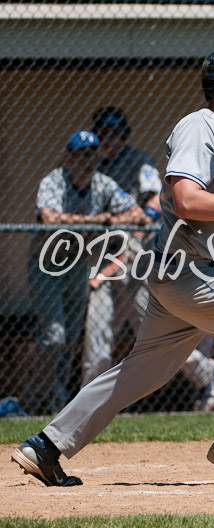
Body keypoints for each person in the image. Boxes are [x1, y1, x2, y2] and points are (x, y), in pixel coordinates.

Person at [11, 43, 214, 487]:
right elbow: (185, 199)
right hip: (190, 270)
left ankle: (45, 446)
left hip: (197, 274)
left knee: (142, 372)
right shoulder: (199, 126)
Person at [84, 106, 214, 412]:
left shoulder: (139, 161)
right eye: (103, 133)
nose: (109, 139)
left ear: (123, 135)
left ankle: (205, 372)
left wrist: (138, 222)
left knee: (151, 329)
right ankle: (87, 403)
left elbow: (155, 202)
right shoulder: (95, 169)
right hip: (105, 256)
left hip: (135, 256)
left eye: (114, 133)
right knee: (97, 329)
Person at [25, 130, 148, 414]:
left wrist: (110, 220)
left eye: (92, 154)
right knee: (54, 336)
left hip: (77, 264)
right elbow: (49, 218)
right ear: (69, 158)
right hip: (46, 263)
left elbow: (137, 213)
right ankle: (35, 399)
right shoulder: (55, 180)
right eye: (81, 155)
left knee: (69, 340)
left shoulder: (102, 183)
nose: (87, 160)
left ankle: (56, 402)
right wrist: (95, 220)